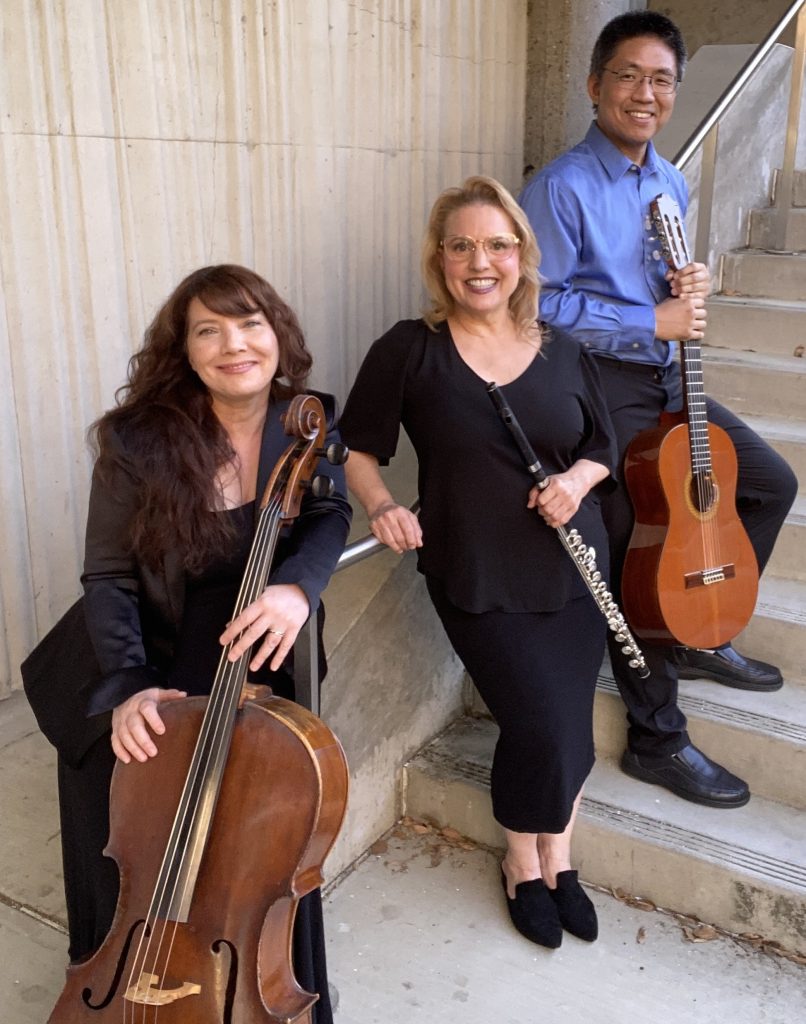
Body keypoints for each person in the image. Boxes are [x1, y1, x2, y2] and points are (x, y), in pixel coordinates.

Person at [24, 264, 351, 1023]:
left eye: (250, 325)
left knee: (263, 853)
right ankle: (121, 991)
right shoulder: (137, 440)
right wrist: (129, 686)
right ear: (185, 349)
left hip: (251, 655)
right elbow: (108, 574)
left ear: (278, 335)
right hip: (139, 654)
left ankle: (265, 990)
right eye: (210, 330)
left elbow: (329, 513)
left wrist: (297, 586)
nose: (234, 345)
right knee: (130, 849)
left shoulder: (305, 422)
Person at [518, 11, 798, 809]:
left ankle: (699, 624)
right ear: (594, 85)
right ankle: (657, 738)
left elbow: (663, 287)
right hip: (597, 384)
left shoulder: (668, 181)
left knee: (769, 484)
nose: (647, 93)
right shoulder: (561, 187)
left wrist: (688, 284)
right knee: (652, 541)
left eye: (663, 80)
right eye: (630, 76)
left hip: (667, 377)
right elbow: (533, 306)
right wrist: (650, 320)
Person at [339, 175, 616, 949]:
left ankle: (559, 857)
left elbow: (603, 446)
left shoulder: (562, 348)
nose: (481, 261)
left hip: (575, 568)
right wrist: (382, 506)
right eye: (461, 246)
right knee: (537, 723)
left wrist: (575, 481)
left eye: (498, 244)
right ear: (439, 259)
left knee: (572, 728)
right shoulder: (409, 349)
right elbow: (356, 449)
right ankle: (521, 862)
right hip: (477, 575)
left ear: (522, 254)